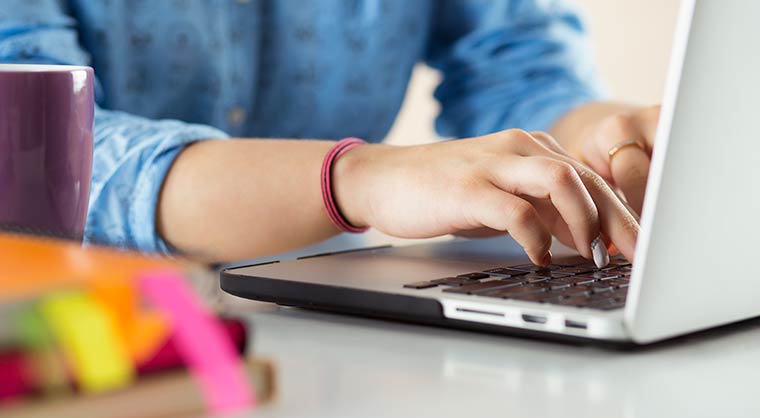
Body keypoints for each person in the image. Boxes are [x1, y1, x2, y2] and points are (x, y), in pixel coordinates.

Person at [0, 0, 657, 267]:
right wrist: (358, 178)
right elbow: (32, 156)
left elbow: (514, 67)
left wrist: (600, 140)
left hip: (318, 329)